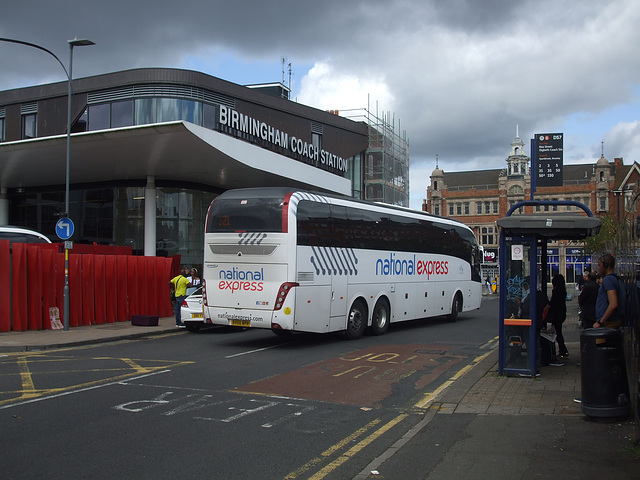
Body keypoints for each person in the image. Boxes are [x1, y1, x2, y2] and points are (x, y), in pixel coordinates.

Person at [593, 253, 621, 329]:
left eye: (599, 265)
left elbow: (613, 304)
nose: (598, 268)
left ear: (606, 265)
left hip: (608, 322)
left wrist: (600, 322)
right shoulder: (611, 279)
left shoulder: (608, 280)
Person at [548, 274, 568, 359]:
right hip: (561, 313)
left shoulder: (556, 291)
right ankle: (562, 350)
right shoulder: (563, 290)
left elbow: (552, 303)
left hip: (557, 314)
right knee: (558, 332)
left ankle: (563, 350)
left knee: (557, 333)